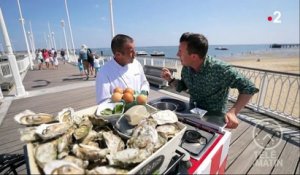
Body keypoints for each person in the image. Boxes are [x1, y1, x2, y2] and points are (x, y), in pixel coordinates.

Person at [161, 32, 259, 129]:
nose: (177, 54)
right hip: (192, 115)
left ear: (194, 56)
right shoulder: (186, 68)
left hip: (215, 120)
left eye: (180, 51)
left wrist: (233, 112)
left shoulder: (220, 69)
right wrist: (170, 79)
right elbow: (183, 86)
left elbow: (249, 87)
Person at [96, 34, 150, 104]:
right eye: (131, 51)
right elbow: (103, 101)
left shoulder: (137, 64)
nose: (135, 54)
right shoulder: (104, 72)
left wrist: (143, 93)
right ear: (118, 54)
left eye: (134, 50)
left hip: (140, 108)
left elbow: (144, 83)